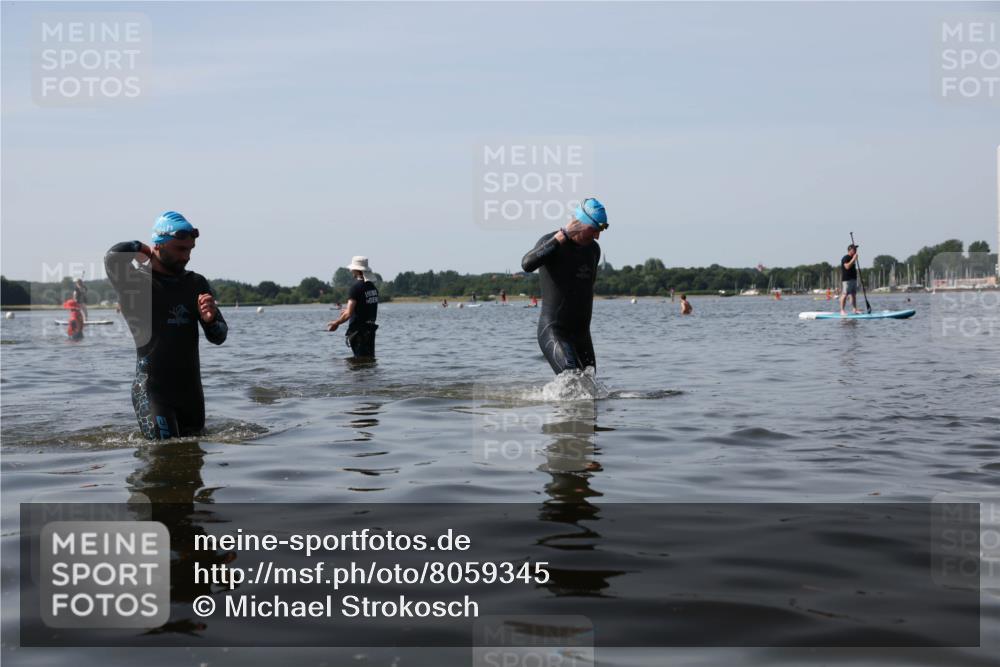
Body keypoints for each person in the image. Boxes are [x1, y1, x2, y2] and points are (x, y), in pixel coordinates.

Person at [105, 211, 228, 440]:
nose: (187, 256)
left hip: (191, 396)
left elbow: (219, 336)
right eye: (180, 249)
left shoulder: (196, 283)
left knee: (191, 464)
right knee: (163, 458)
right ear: (159, 246)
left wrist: (211, 320)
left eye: (190, 249)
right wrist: (142, 248)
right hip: (153, 393)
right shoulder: (134, 283)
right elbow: (113, 257)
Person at [521, 197, 607, 374]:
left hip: (582, 334)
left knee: (590, 388)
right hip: (554, 330)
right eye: (594, 229)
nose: (597, 235)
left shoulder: (593, 250)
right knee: (572, 377)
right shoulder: (552, 243)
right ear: (579, 224)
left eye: (601, 230)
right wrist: (562, 236)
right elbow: (527, 264)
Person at [327, 256, 379, 358]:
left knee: (359, 363)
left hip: (358, 332)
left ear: (357, 270)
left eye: (352, 268)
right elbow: (365, 307)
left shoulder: (355, 288)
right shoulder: (372, 287)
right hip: (370, 330)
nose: (351, 270)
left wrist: (336, 323)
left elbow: (349, 313)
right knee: (369, 360)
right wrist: (347, 310)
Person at [839, 244, 862, 315]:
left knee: (853, 294)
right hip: (847, 279)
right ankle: (842, 310)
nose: (856, 251)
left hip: (853, 279)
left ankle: (855, 309)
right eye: (854, 249)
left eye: (856, 249)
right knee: (845, 294)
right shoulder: (845, 258)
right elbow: (847, 267)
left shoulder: (852, 257)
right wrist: (854, 259)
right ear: (850, 250)